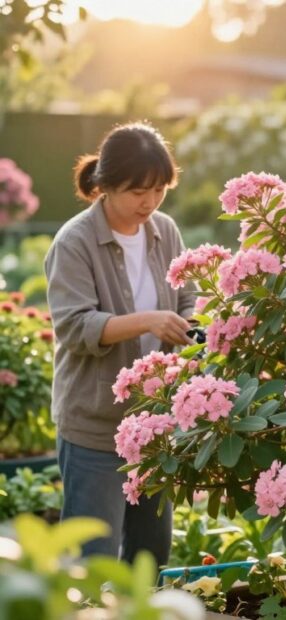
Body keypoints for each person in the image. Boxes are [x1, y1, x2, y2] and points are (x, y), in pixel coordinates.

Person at [45, 122, 196, 565]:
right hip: (96, 427)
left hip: (155, 424)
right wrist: (148, 321)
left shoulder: (164, 230)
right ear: (105, 185)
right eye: (137, 191)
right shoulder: (74, 242)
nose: (149, 202)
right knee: (94, 560)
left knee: (151, 553)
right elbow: (74, 326)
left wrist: (191, 325)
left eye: (159, 190)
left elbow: (187, 296)